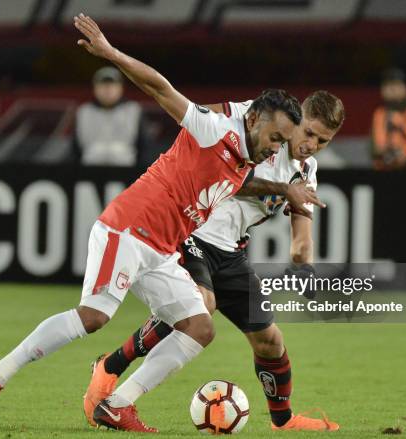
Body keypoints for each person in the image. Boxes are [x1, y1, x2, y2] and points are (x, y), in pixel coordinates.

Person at [0, 14, 324, 433]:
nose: (276, 148)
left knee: (199, 326)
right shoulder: (214, 128)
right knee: (94, 316)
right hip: (128, 228)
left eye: (283, 142)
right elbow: (160, 87)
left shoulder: (246, 157)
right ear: (254, 120)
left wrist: (285, 192)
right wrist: (110, 52)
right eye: (276, 138)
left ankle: (117, 404)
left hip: (161, 249)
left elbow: (243, 181)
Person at [83, 91, 345, 432]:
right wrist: (282, 188)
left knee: (270, 340)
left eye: (322, 141)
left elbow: (301, 233)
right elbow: (223, 167)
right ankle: (113, 373)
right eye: (308, 133)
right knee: (200, 308)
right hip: (193, 232)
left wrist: (303, 265)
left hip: (231, 253)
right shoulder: (260, 127)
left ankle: (283, 421)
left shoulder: (306, 171)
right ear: (297, 121)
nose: (311, 144)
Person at [71, 66, 150, 166]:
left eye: (112, 85)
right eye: (103, 85)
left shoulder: (133, 110)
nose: (107, 89)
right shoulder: (84, 111)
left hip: (126, 169)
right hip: (89, 170)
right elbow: (75, 148)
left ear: (121, 88)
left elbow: (144, 146)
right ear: (95, 88)